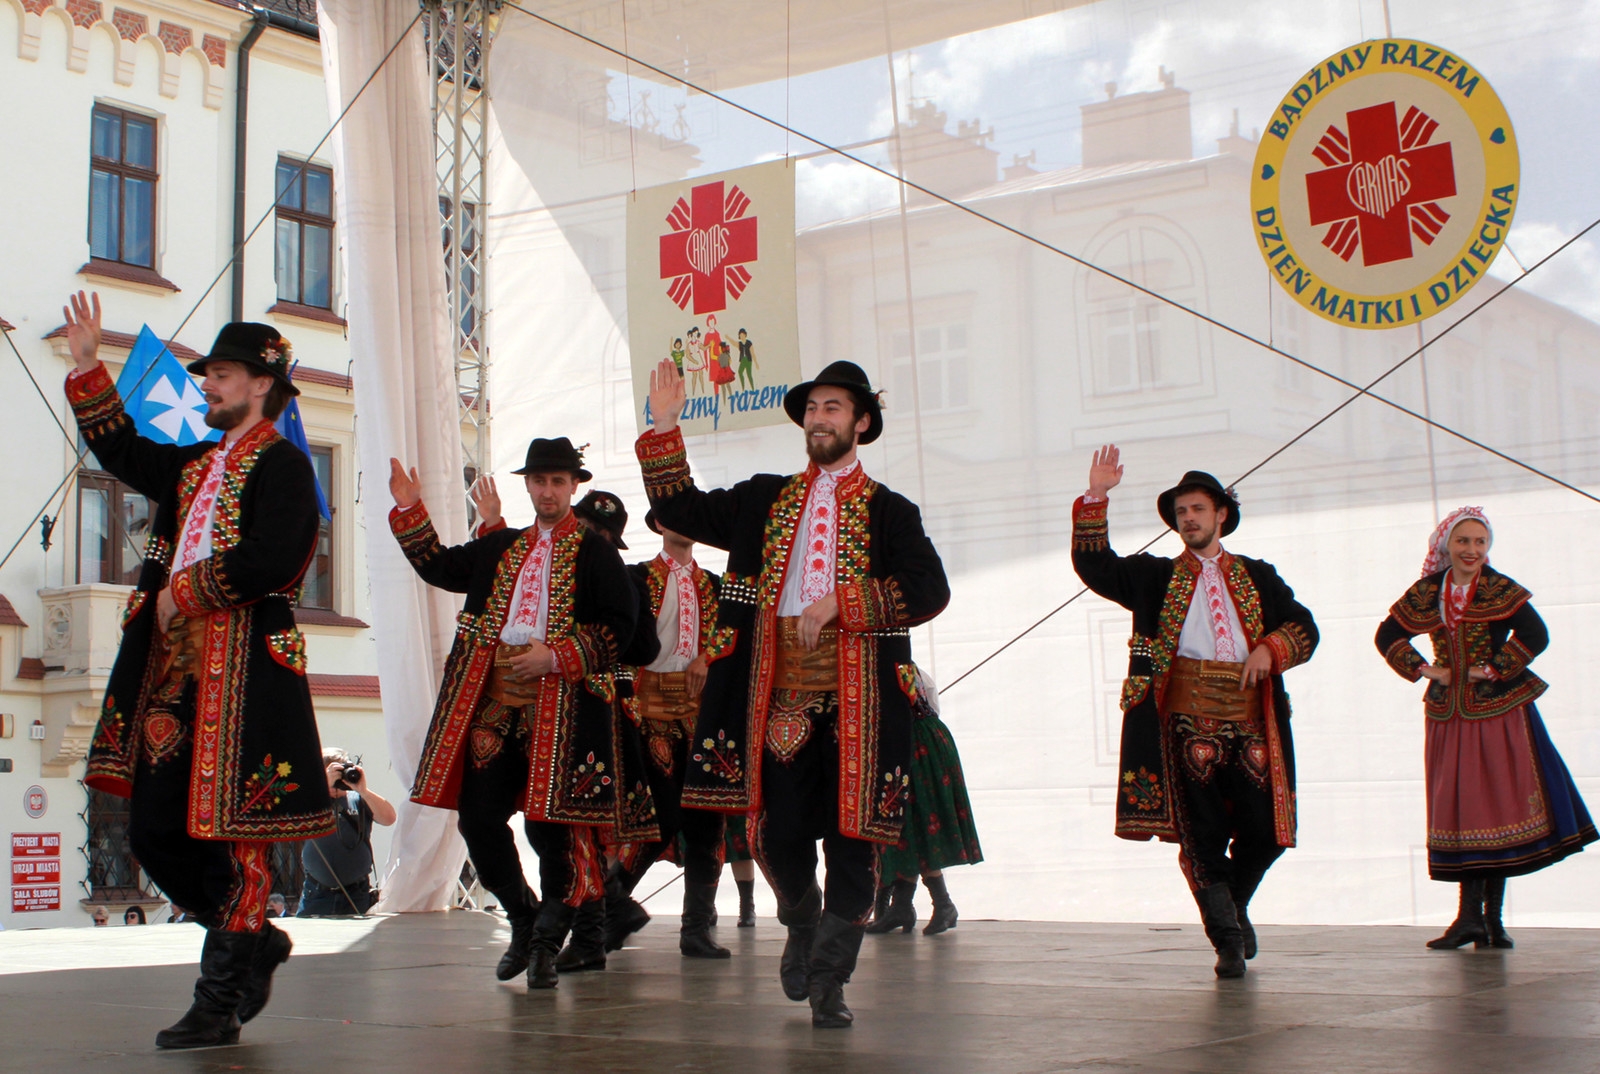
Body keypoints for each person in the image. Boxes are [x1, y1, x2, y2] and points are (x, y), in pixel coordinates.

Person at [637, 357, 949, 1027]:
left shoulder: (892, 511)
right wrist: (664, 429)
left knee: (854, 841)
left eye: (833, 407)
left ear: (861, 423)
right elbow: (679, 508)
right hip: (777, 696)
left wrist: (845, 601)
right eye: (812, 408)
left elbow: (930, 589)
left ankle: (830, 979)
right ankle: (803, 922)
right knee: (776, 836)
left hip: (863, 704)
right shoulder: (764, 499)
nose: (819, 418)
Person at [62, 292, 332, 1047]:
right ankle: (256, 940)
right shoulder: (195, 465)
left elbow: (276, 558)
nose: (206, 385)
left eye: (219, 374)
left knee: (236, 839)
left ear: (260, 384)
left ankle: (217, 1003)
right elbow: (124, 452)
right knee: (153, 829)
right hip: (176, 670)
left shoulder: (285, 465)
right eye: (208, 374)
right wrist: (88, 369)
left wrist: (186, 591)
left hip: (246, 672)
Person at [388, 438, 636, 989]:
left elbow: (622, 626)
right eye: (539, 481)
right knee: (478, 819)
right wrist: (409, 509)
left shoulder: (595, 553)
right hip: (496, 702)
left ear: (573, 487)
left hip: (564, 708)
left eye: (557, 482)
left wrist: (558, 656)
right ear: (527, 485)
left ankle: (546, 943)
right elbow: (440, 566)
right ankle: (523, 918)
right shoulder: (501, 546)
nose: (548, 491)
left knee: (554, 831)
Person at [1070, 446, 1317, 979]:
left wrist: (1269, 649)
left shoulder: (1258, 575)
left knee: (1266, 830)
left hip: (1250, 717)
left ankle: (1231, 906)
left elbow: (1304, 627)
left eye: (1198, 509)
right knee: (1201, 833)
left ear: (1221, 514)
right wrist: (1097, 496)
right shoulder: (1153, 576)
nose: (1189, 519)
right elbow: (1095, 566)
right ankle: (1226, 939)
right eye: (1182, 512)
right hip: (1183, 716)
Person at [1375, 508, 1596, 950]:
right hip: (1449, 715)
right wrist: (1426, 670)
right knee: (1464, 810)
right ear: (1446, 545)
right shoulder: (1427, 591)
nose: (1472, 550)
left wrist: (1492, 669)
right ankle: (1471, 919)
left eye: (1480, 542)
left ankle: (1488, 919)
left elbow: (1536, 634)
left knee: (1495, 810)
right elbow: (1387, 635)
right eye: (1463, 541)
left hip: (1499, 712)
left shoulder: (1499, 588)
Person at [598, 510, 732, 960]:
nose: (684, 524)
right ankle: (612, 905)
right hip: (650, 706)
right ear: (658, 525)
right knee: (660, 815)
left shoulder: (713, 584)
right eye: (672, 516)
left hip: (698, 711)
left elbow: (734, 631)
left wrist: (706, 657)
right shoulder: (638, 577)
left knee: (707, 820)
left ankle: (696, 928)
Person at [865, 664, 982, 936]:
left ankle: (936, 904)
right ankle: (907, 905)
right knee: (908, 827)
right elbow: (932, 703)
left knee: (913, 824)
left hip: (913, 745)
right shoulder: (908, 667)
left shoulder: (881, 670)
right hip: (927, 738)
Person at [297, 748, 398, 916]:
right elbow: (294, 820)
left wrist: (363, 790)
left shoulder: (359, 799)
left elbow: (389, 818)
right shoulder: (312, 801)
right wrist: (321, 788)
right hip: (317, 894)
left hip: (357, 894)